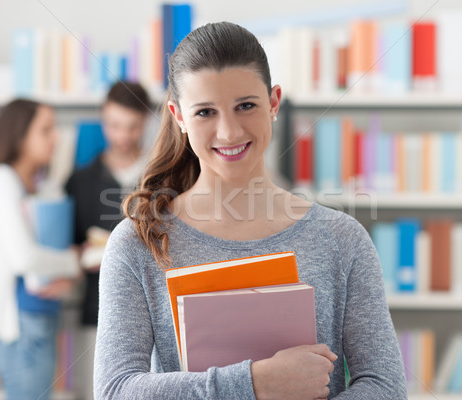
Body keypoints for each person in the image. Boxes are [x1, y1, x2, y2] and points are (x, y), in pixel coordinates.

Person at [94, 21, 407, 400]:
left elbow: (385, 385)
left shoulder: (342, 239)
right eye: (205, 112)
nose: (229, 132)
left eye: (246, 106)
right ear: (179, 117)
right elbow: (115, 391)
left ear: (273, 103)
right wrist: (255, 383)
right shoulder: (138, 243)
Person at [0, 99, 80, 400]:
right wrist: (73, 261)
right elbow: (24, 258)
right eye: (45, 130)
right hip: (20, 327)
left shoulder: (31, 184)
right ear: (20, 136)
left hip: (36, 318)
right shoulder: (1, 182)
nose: (55, 138)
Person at [64, 80, 153, 400]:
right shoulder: (80, 181)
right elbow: (69, 248)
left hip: (155, 320)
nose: (123, 136)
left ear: (146, 122)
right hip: (95, 315)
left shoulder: (162, 177)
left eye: (132, 127)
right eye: (114, 125)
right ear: (103, 119)